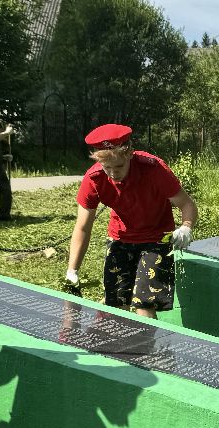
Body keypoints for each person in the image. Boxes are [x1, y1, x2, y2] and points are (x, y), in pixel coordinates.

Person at [64, 123, 198, 319]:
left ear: (129, 154)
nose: (113, 173)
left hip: (156, 239)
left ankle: (145, 339)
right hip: (120, 238)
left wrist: (186, 227)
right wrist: (72, 270)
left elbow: (187, 205)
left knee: (144, 303)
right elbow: (83, 228)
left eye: (118, 166)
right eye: (107, 167)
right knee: (116, 303)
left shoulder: (154, 169)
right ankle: (117, 339)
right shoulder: (94, 179)